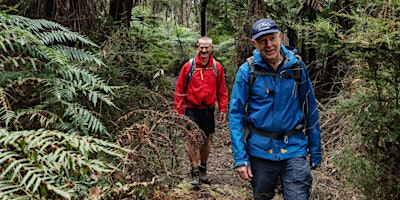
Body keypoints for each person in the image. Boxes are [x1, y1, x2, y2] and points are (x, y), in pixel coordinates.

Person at [229, 18, 322, 199]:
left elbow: (310, 109)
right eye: (262, 41)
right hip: (260, 151)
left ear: (280, 36)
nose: (269, 45)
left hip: (294, 148)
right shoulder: (247, 71)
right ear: (254, 44)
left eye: (272, 38)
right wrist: (240, 158)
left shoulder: (296, 68)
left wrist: (315, 151)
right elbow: (236, 115)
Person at [174, 36, 229, 188]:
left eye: (207, 48)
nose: (204, 50)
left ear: (211, 48)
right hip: (191, 109)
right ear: (197, 47)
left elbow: (222, 90)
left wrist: (223, 108)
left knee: (206, 140)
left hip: (208, 109)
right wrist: (179, 112)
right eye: (201, 47)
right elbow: (179, 90)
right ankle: (195, 172)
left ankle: (203, 168)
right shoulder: (189, 66)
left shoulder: (217, 67)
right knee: (192, 139)